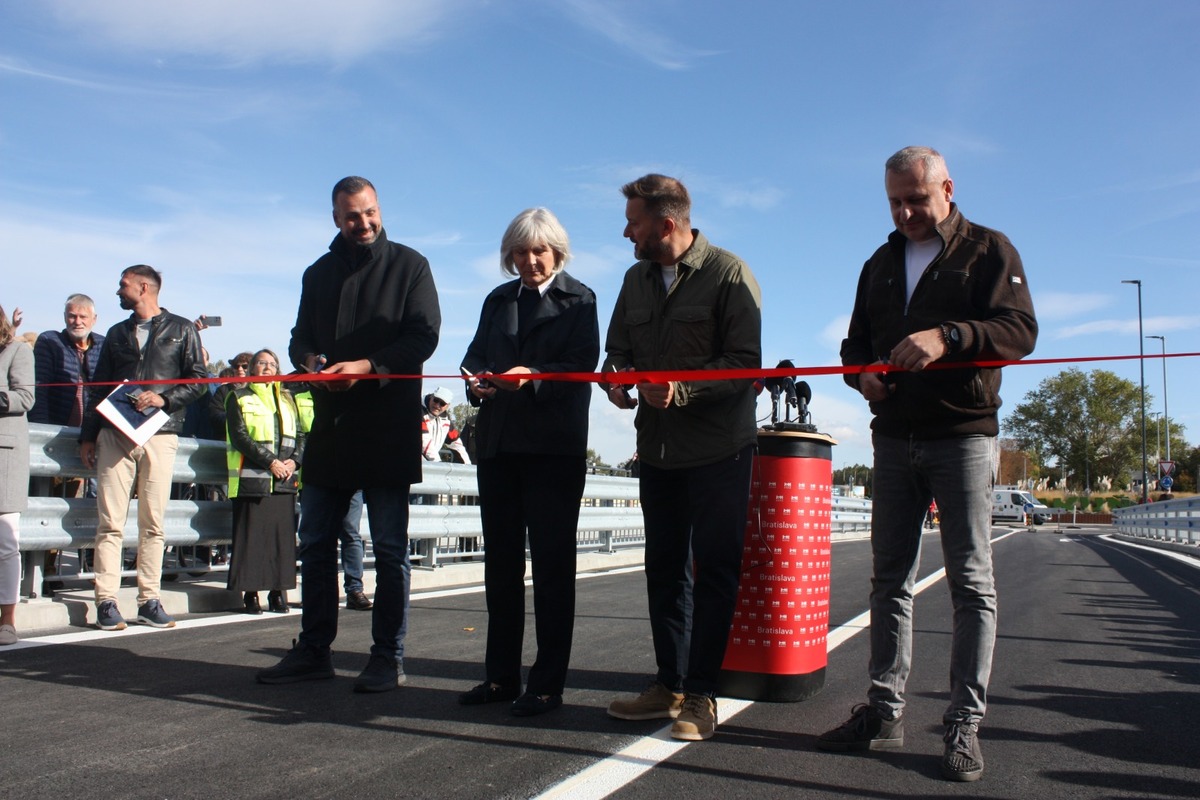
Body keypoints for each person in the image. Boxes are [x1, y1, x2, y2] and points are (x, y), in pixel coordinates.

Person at [816, 146, 1037, 783]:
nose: (906, 212)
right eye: (895, 201)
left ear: (947, 187)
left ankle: (963, 725)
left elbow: (1020, 331)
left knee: (972, 581)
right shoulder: (879, 263)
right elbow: (854, 344)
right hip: (893, 437)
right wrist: (863, 376)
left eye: (916, 198)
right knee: (889, 581)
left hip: (962, 436)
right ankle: (884, 713)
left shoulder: (989, 250)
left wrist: (950, 337)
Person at [257, 176, 440, 693]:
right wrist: (310, 360)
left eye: (370, 212)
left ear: (380, 209)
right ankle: (314, 649)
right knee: (314, 542)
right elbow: (299, 338)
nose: (363, 224)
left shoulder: (410, 265)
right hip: (332, 429)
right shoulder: (317, 272)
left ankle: (388, 657)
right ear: (336, 219)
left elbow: (424, 336)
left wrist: (369, 365)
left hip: (386, 426)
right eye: (352, 216)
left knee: (388, 547)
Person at [602, 175, 762, 740]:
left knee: (714, 571)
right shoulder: (633, 279)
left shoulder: (728, 274)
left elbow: (744, 365)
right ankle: (668, 684)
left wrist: (681, 389)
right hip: (660, 452)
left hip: (720, 450)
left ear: (666, 224)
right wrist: (616, 381)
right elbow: (615, 350)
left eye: (635, 222)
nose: (627, 232)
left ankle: (702, 695)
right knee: (664, 572)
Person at [458, 207, 599, 716]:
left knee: (552, 569)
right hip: (497, 445)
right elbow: (474, 355)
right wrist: (475, 379)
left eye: (539, 250)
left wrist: (532, 374)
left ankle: (546, 683)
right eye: (520, 251)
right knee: (500, 568)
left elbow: (582, 367)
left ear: (557, 251)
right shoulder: (497, 300)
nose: (530, 260)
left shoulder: (580, 299)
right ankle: (499, 678)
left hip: (551, 450)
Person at [79, 265, 208, 631]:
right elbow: (98, 387)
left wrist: (164, 399)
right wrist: (88, 434)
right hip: (115, 433)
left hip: (161, 433)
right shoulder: (116, 334)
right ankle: (106, 601)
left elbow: (199, 380)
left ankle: (149, 599)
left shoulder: (182, 329)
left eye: (124, 285)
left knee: (153, 522)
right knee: (110, 522)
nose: (118, 291)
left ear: (144, 287)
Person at [224, 349, 303, 615]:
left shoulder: (288, 398)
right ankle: (251, 594)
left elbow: (302, 433)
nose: (268, 367)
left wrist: (296, 461)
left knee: (282, 541)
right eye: (262, 363)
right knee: (252, 539)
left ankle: (278, 593)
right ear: (251, 368)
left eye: (272, 363)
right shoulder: (238, 396)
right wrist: (271, 461)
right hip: (253, 479)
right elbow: (239, 436)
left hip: (285, 480)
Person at [292, 382, 371, 611]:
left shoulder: (360, 395)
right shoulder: (301, 396)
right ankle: (316, 593)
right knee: (315, 536)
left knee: (350, 533)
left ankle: (354, 589)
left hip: (351, 473)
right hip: (318, 473)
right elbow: (298, 435)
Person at [0, 305, 35, 645]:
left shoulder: (17, 349)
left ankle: (7, 619)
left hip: (4, 457)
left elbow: (25, 397)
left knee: (5, 545)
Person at [420, 387, 471, 465]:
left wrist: (467, 466)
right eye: (436, 400)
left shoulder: (445, 419)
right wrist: (437, 463)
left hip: (429, 464)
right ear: (431, 397)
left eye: (442, 403)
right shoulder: (419, 411)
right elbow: (424, 442)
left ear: (448, 406)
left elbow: (456, 443)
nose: (437, 405)